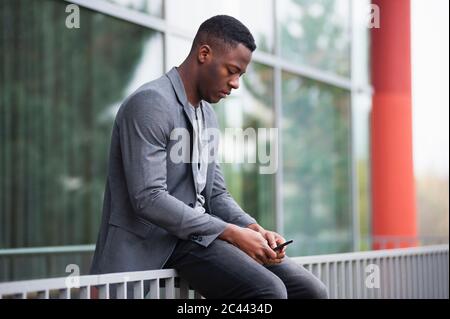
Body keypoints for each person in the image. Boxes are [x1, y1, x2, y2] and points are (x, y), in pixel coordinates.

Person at [90, 15, 328, 299]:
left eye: (240, 75)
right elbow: (149, 198)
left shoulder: (207, 115)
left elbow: (215, 194)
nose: (236, 83)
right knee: (268, 291)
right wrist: (230, 232)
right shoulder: (150, 103)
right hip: (154, 243)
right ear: (204, 54)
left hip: (195, 238)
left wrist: (252, 228)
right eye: (232, 70)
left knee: (310, 290)